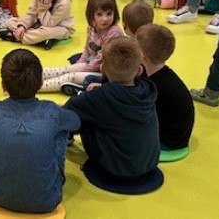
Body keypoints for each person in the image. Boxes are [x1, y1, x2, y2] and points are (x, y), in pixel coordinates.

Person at [0, 49, 80, 214]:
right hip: (47, 201)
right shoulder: (52, 111)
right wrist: (57, 112)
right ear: (40, 84)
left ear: (3, 85)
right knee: (61, 129)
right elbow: (75, 122)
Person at [63, 37, 159, 182]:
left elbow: (69, 110)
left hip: (113, 169)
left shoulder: (99, 97)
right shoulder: (147, 90)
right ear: (139, 70)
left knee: (84, 114)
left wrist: (88, 95)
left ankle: (67, 138)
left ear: (102, 69)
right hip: (149, 163)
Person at [38, 0, 123, 93]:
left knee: (69, 77)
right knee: (64, 69)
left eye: (109, 14)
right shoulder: (92, 28)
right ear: (92, 15)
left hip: (106, 73)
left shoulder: (114, 33)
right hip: (92, 64)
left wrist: (82, 69)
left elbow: (100, 60)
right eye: (99, 14)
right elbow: (87, 49)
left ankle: (33, 88)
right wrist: (80, 63)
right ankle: (31, 76)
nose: (105, 19)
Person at [136, 24, 194, 150]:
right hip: (176, 135)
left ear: (142, 55)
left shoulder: (157, 87)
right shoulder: (159, 74)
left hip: (168, 141)